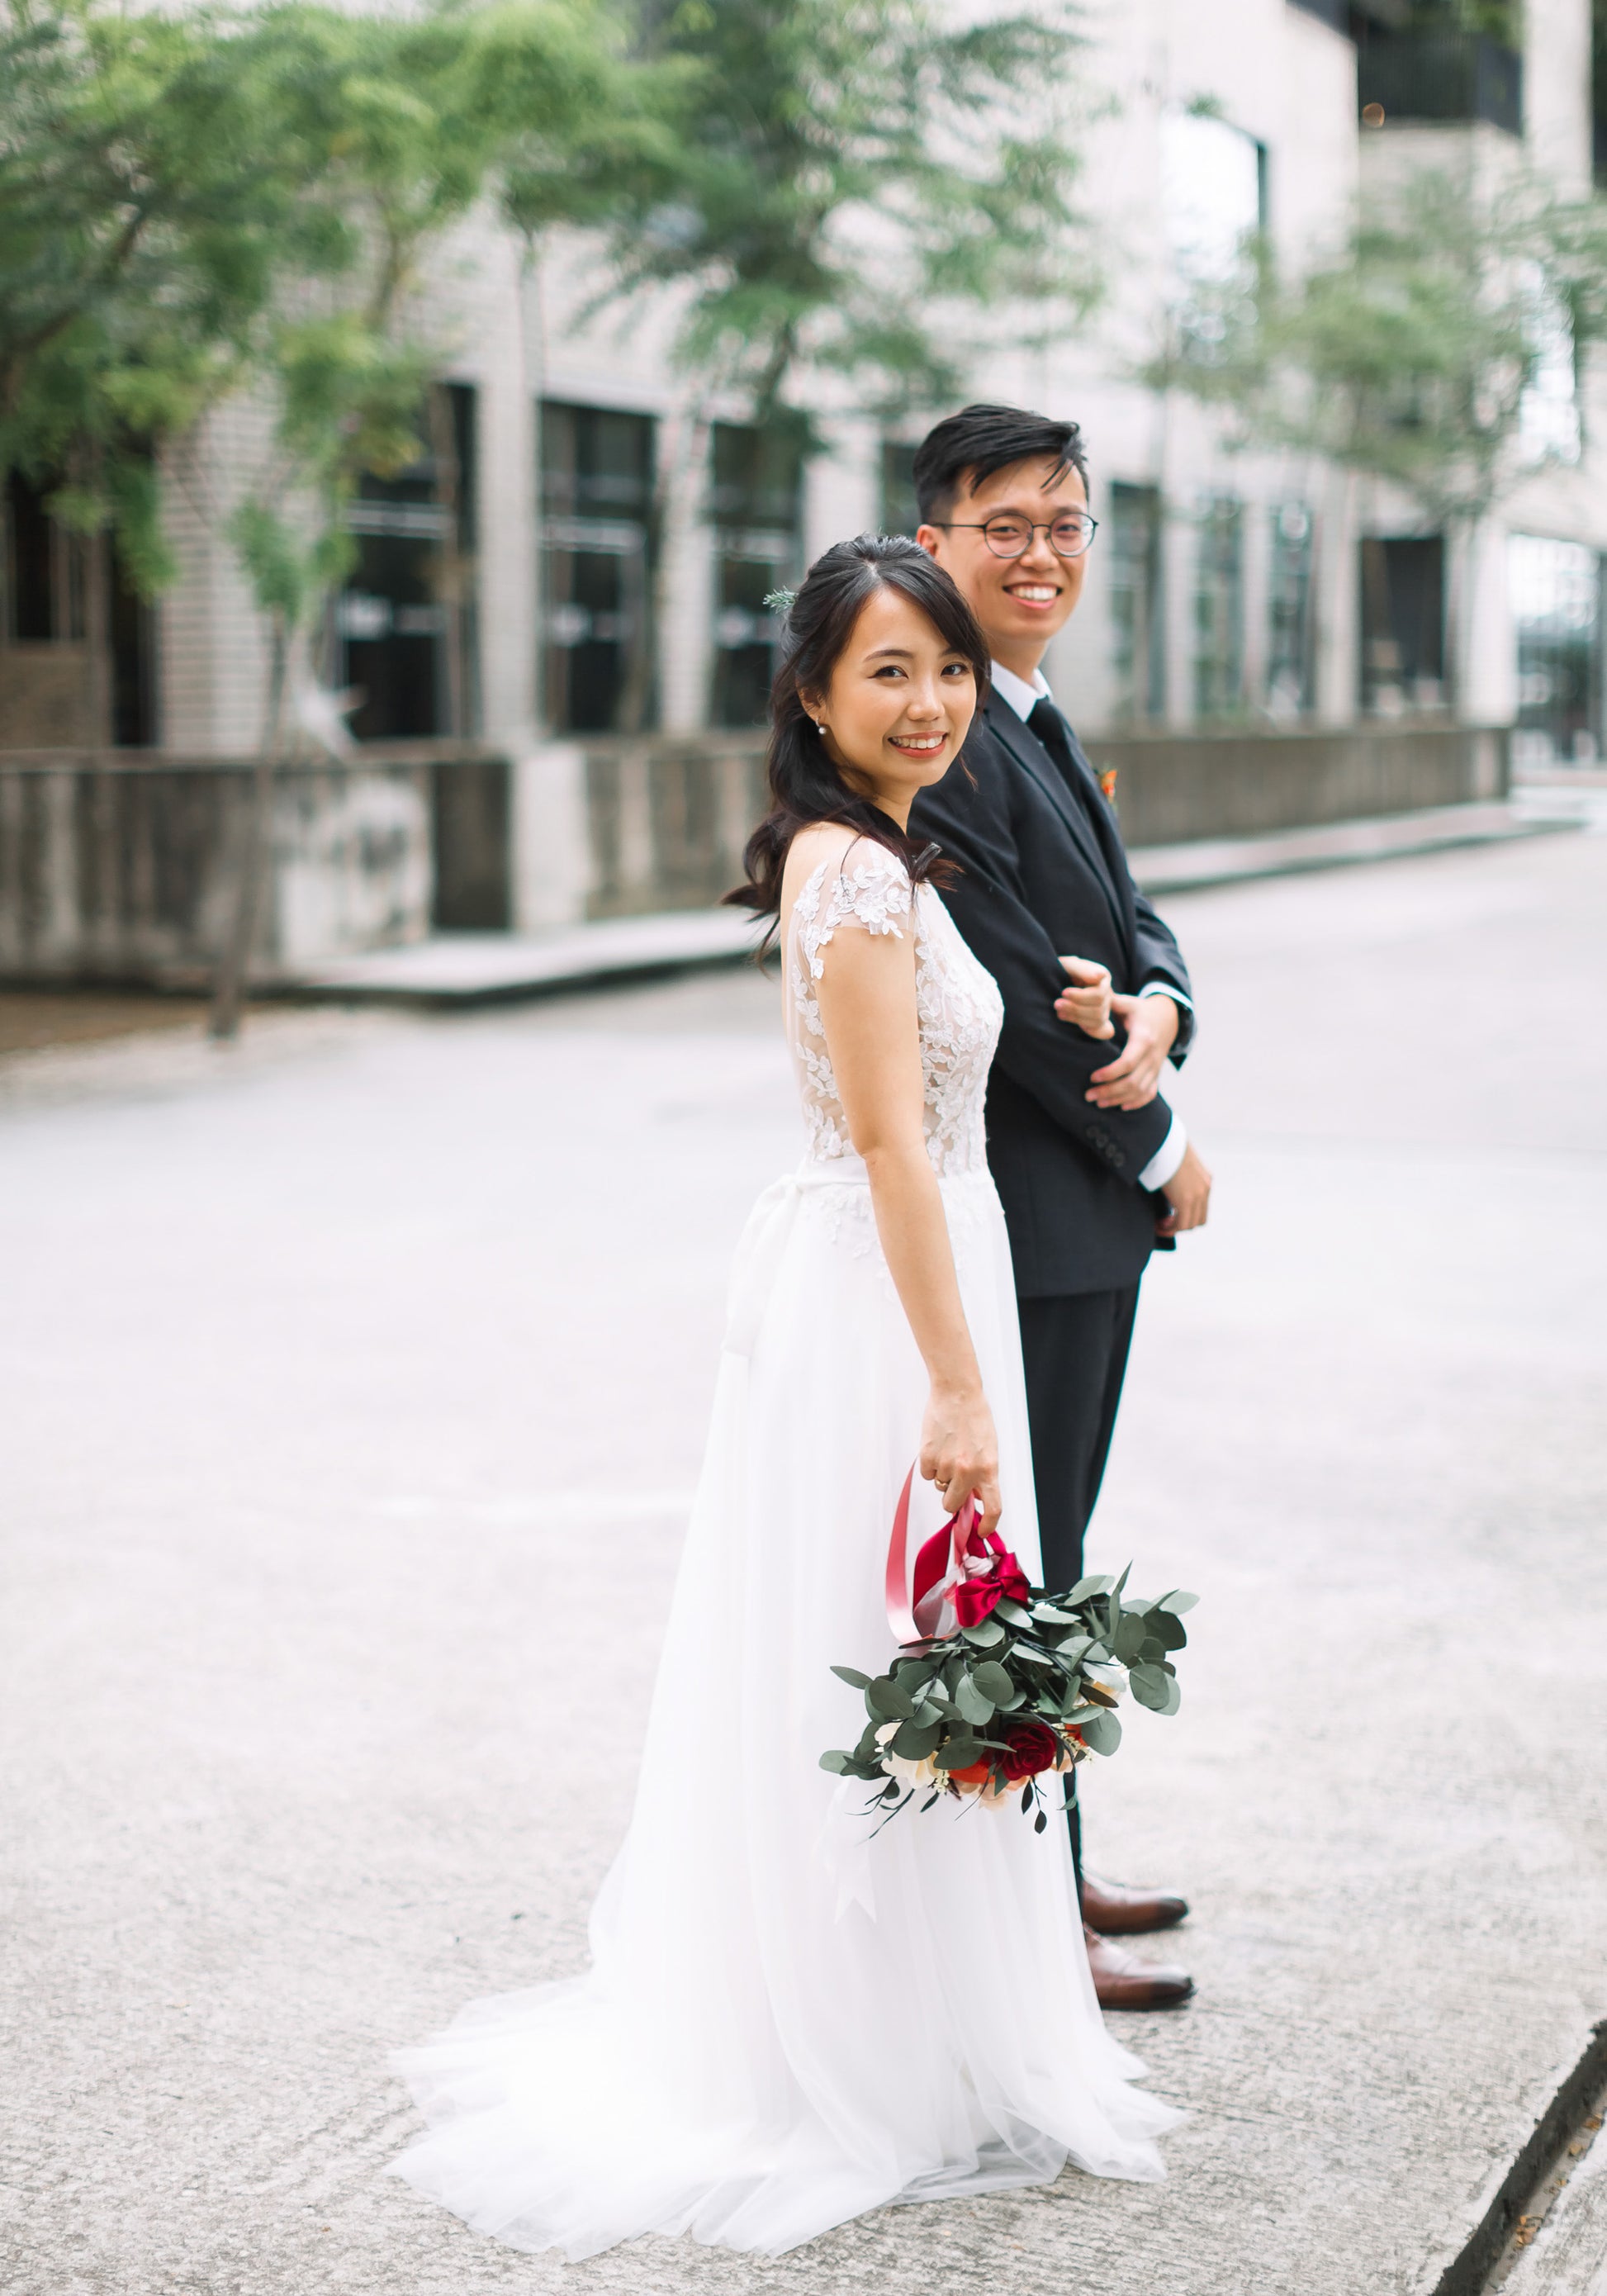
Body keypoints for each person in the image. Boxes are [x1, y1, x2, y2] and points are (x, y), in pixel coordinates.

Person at [388, 535, 1176, 2261]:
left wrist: (1096, 1004)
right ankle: (841, 2051)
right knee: (873, 1636)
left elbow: (940, 1078)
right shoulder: (861, 876)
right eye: (889, 669)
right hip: (886, 1292)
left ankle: (906, 2021)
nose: (931, 700)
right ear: (814, 694)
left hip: (902, 1262)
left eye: (948, 668)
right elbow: (893, 1141)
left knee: (894, 1639)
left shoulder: (893, 858)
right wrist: (961, 1386)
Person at [909, 404, 1211, 2013]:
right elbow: (1025, 998)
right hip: (1034, 1213)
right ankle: (1022, 1912)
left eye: (1068, 523)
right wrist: (1163, 1147)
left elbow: (1128, 919)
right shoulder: (943, 728)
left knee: (1055, 1548)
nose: (1041, 553)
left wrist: (1163, 1000)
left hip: (1081, 1223)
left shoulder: (1024, 707)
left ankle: (1049, 1848)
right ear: (931, 541)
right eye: (1005, 522)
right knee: (1017, 1561)